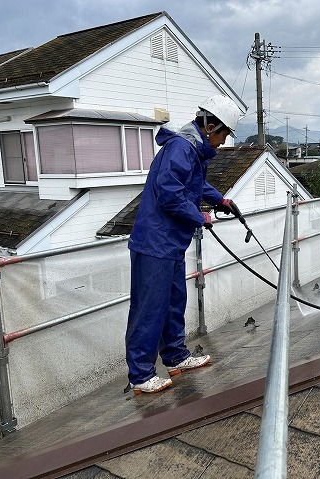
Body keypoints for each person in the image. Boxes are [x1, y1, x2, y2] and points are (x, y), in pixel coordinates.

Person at [125, 94, 242, 394]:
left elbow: (196, 185)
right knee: (149, 308)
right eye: (224, 135)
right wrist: (199, 216)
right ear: (210, 126)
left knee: (174, 302)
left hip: (171, 244)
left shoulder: (192, 150)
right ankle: (140, 375)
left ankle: (176, 357)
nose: (223, 142)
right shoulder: (181, 148)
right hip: (155, 242)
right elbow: (170, 194)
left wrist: (221, 201)